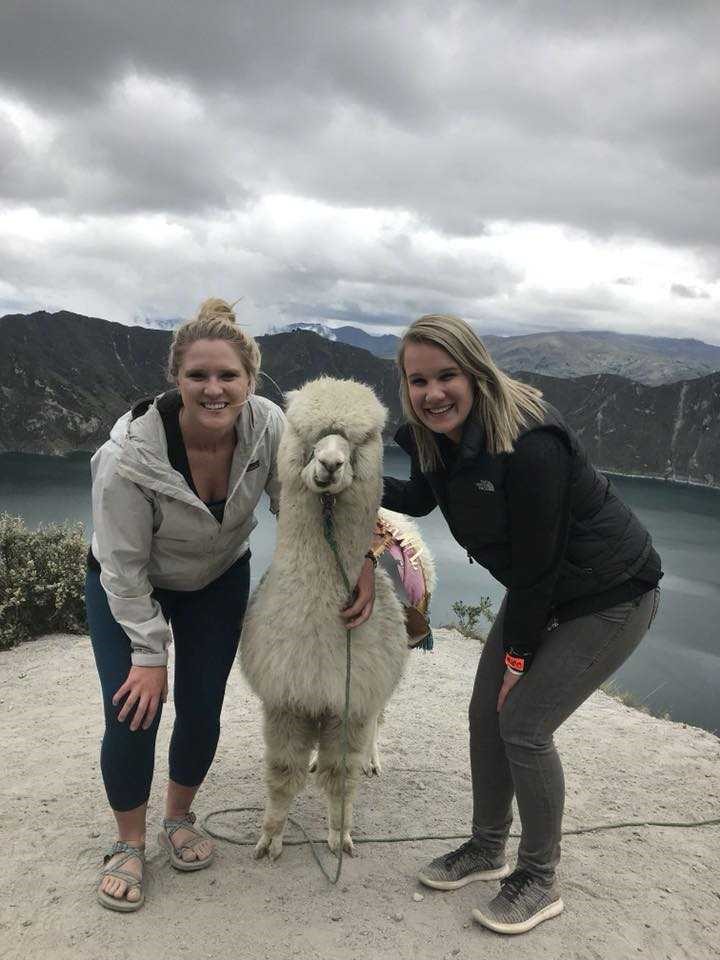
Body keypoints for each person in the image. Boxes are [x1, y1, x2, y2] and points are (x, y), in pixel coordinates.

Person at [376, 313, 662, 935]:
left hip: (610, 594)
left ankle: (538, 877)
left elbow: (539, 566)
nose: (433, 393)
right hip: (543, 588)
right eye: (417, 380)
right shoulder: (434, 435)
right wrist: (346, 481)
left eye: (446, 375)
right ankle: (485, 847)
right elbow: (422, 498)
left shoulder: (531, 443)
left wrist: (516, 662)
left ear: (474, 370)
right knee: (486, 713)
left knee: (524, 724)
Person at [86, 298, 285, 912]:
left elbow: (297, 505)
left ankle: (178, 818)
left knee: (202, 704)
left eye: (228, 375)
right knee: (133, 708)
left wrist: (351, 559)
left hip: (218, 575)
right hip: (130, 582)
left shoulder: (269, 427)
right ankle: (127, 843)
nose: (214, 388)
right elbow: (121, 567)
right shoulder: (128, 458)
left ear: (250, 381)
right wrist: (149, 653)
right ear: (177, 379)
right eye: (198, 375)